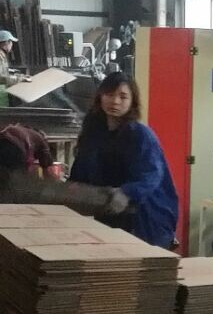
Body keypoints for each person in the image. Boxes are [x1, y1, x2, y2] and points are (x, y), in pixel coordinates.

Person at [70, 72, 179, 248]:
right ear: (100, 96)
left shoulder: (140, 135)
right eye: (110, 94)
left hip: (144, 218)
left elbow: (151, 175)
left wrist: (127, 193)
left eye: (123, 97)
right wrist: (71, 188)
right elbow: (82, 168)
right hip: (108, 211)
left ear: (132, 101)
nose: (115, 101)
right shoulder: (94, 132)